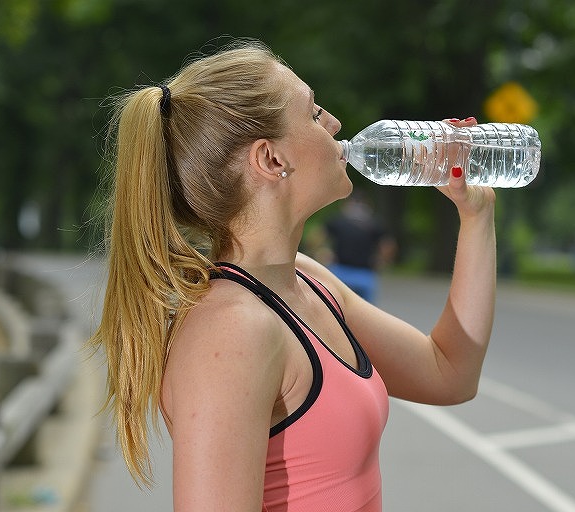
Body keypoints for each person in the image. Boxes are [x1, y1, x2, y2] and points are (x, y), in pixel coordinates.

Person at [90, 38, 496, 512]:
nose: (336, 124)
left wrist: (477, 215)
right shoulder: (232, 330)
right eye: (315, 112)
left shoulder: (306, 282)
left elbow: (450, 373)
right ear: (272, 160)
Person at [323, 190, 396, 303]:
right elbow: (388, 245)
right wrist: (382, 261)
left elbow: (316, 238)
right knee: (366, 312)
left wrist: (322, 252)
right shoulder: (374, 223)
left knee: (334, 307)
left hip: (340, 271)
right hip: (365, 273)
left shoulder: (338, 220)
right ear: (367, 204)